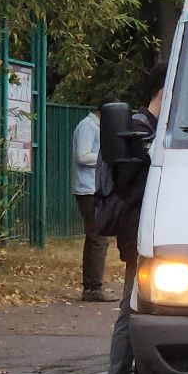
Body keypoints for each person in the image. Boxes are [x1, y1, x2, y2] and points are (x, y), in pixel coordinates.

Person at [102, 63, 168, 374]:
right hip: (139, 232)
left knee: (136, 306)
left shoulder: (154, 130)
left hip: (149, 231)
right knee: (132, 308)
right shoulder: (141, 130)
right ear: (163, 91)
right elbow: (130, 183)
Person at [72, 107, 112, 302]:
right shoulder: (88, 127)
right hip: (88, 188)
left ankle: (91, 286)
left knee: (95, 237)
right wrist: (106, 159)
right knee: (99, 237)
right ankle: (94, 287)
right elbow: (82, 155)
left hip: (93, 188)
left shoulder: (94, 127)